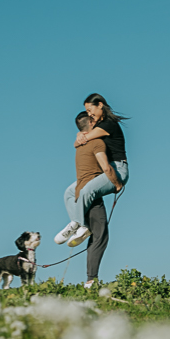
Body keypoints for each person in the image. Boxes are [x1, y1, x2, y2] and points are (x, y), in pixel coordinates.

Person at [55, 95, 130, 250]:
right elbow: (82, 139)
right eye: (87, 111)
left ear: (100, 105)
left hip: (117, 170)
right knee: (69, 192)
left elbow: (80, 142)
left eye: (90, 110)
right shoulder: (99, 125)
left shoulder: (108, 124)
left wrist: (79, 135)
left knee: (86, 190)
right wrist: (80, 134)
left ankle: (81, 226)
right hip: (104, 171)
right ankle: (75, 223)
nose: (89, 114)